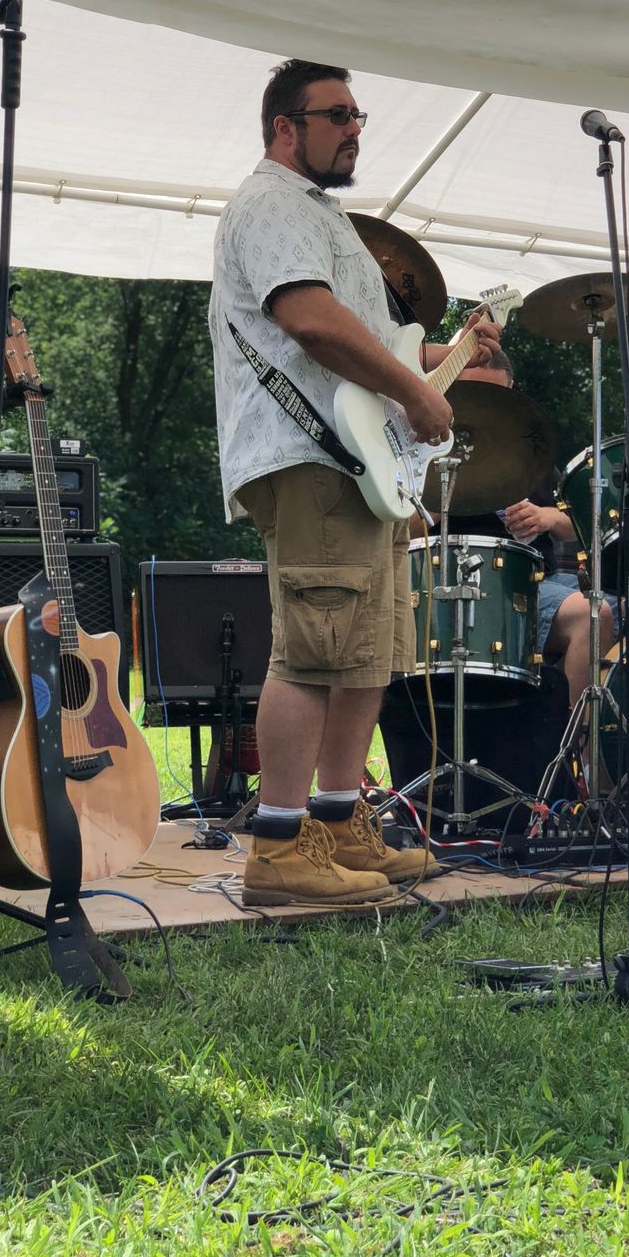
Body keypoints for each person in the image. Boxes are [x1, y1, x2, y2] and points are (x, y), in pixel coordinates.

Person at [209, 58, 501, 906]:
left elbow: (364, 342)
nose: (354, 129)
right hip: (311, 459)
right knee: (313, 650)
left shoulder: (316, 213)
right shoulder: (272, 203)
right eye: (336, 115)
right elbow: (309, 321)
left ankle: (337, 824)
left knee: (363, 652)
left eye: (357, 116)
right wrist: (418, 391)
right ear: (284, 128)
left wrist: (442, 357)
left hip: (351, 464)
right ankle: (278, 848)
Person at [425, 352, 614, 711]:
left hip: (539, 579)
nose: (484, 404)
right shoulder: (428, 450)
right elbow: (398, 529)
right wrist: (439, 502)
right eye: (472, 393)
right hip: (464, 587)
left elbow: (579, 527)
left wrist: (547, 517)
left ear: (511, 390)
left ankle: (588, 734)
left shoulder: (528, 451)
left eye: (495, 394)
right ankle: (573, 738)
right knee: (594, 613)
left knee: (628, 603)